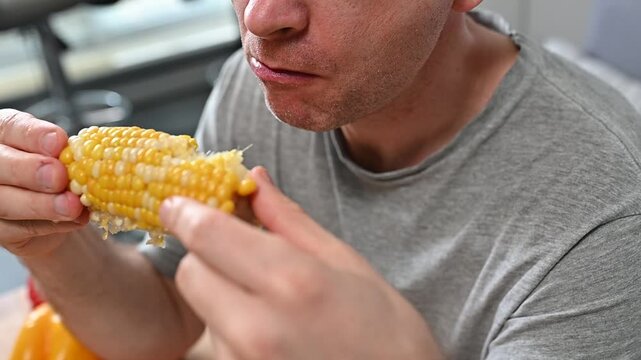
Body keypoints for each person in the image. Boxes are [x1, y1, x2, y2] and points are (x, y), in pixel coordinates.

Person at [1, 0, 640, 358]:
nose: (259, 16)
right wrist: (50, 242)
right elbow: (166, 321)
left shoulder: (610, 228)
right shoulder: (256, 89)